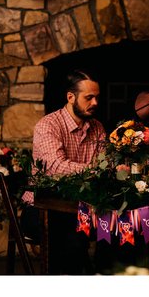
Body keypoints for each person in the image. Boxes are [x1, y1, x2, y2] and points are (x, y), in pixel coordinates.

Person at [25, 70, 106, 274]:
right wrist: (95, 170)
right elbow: (55, 167)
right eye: (89, 97)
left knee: (120, 226)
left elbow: (106, 166)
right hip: (42, 206)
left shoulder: (97, 128)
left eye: (97, 97)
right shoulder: (48, 125)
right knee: (73, 236)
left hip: (81, 205)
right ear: (70, 97)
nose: (95, 102)